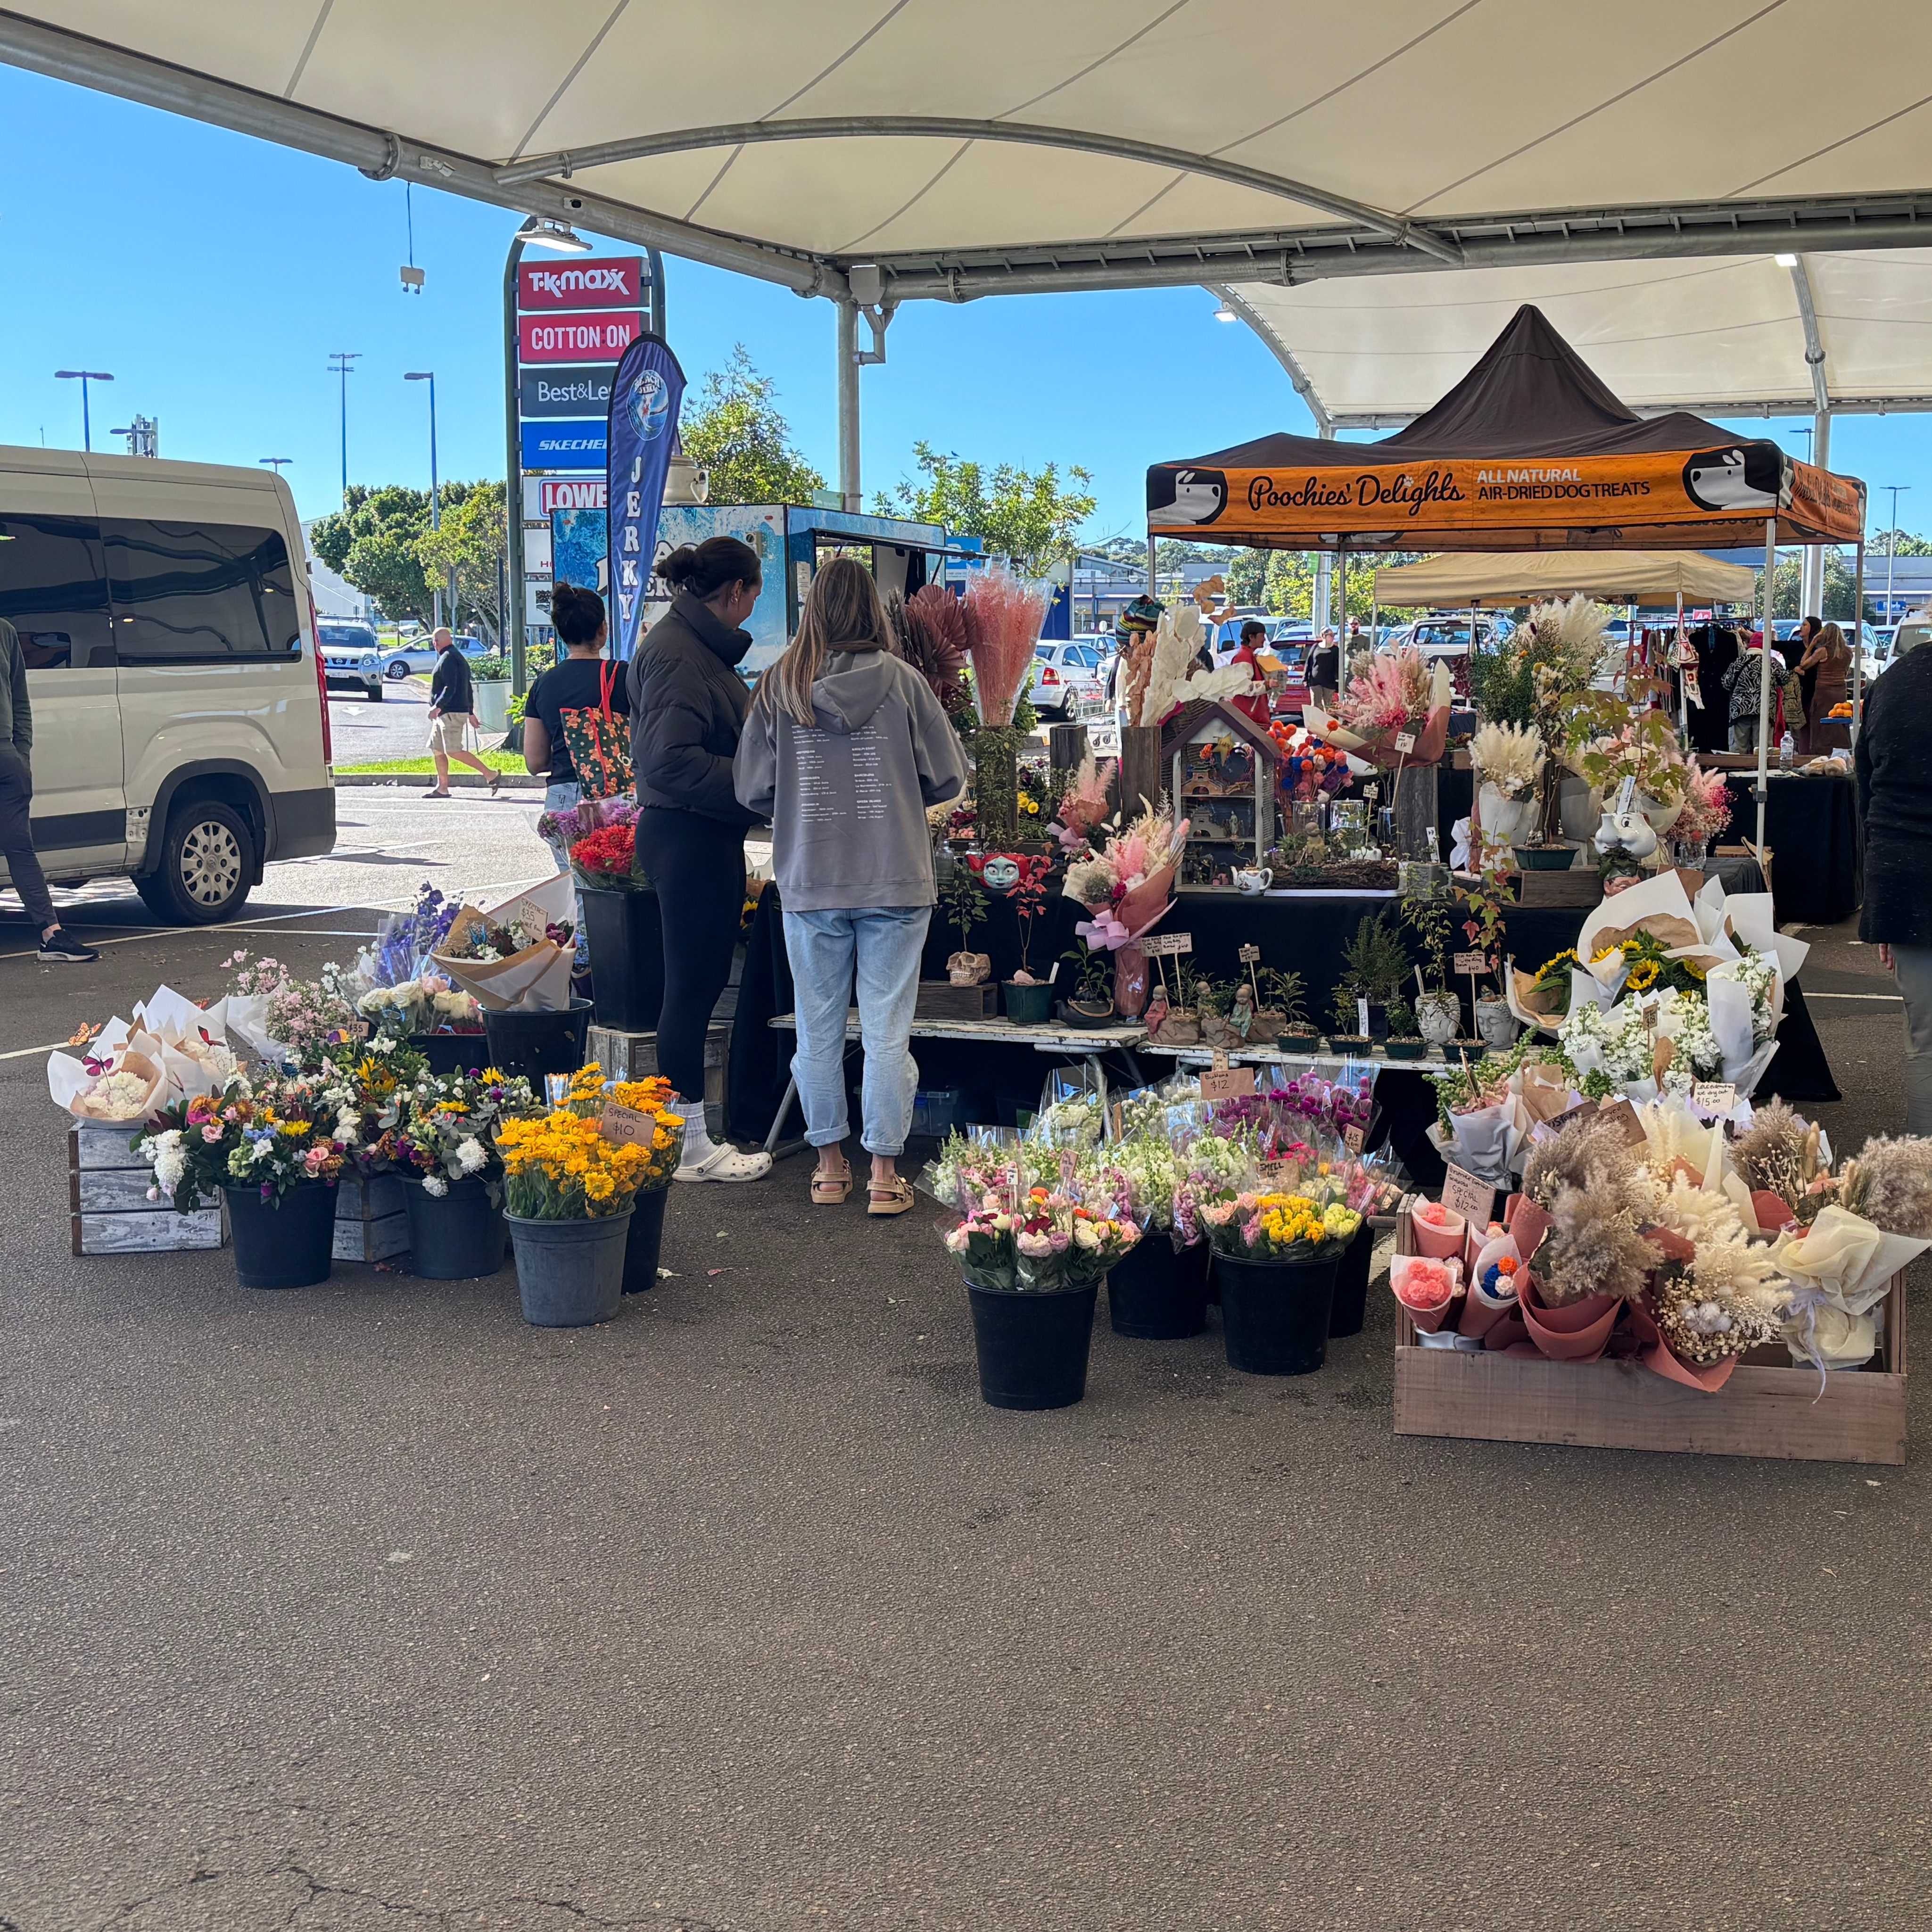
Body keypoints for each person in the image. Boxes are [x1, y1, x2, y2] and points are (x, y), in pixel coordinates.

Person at [735, 557, 966, 1214]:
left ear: (813, 609)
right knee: (888, 1028)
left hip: (811, 876)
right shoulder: (905, 683)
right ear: (871, 607)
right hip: (895, 877)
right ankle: (886, 1173)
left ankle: (830, 1166)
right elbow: (947, 777)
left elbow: (751, 789)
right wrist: (899, 789)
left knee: (817, 1028)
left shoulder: (781, 684)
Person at [628, 535, 772, 1183]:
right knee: (690, 991)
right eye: (754, 596)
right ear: (735, 593)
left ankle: (680, 1136)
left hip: (698, 832)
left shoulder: (688, 646)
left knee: (694, 986)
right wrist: (759, 776)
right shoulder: (680, 655)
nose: (752, 609)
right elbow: (669, 760)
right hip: (687, 833)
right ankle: (687, 1142)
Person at [525, 584, 631, 973]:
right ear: (603, 630)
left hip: (565, 802)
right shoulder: (624, 676)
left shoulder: (544, 684)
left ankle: (584, 973)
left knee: (579, 890)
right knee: (624, 890)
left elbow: (535, 761)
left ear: (561, 633)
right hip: (615, 796)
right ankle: (621, 968)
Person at [1857, 637, 1932, 1132]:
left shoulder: (1894, 681)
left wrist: (1883, 909)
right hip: (1903, 874)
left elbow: (1867, 791)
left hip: (1904, 876)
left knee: (1926, 1041)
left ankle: (1923, 1179)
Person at [0, 616, 97, 961]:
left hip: (7, 759)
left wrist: (20, 751)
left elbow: (20, 697)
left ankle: (51, 934)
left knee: (20, 848)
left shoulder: (5, 632)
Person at [423, 629, 500, 798]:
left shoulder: (450, 658)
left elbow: (451, 687)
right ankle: (442, 788)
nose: (434, 644)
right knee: (438, 750)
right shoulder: (453, 657)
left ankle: (491, 775)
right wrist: (471, 712)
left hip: (450, 713)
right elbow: (468, 687)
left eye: (435, 641)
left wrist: (438, 706)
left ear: (438, 641)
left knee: (453, 750)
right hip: (446, 714)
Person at [1799, 619, 1851, 753]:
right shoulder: (1848, 652)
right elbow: (1846, 672)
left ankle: (1821, 750)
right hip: (1840, 690)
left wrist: (1812, 645)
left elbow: (1803, 665)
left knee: (1820, 721)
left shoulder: (1823, 651)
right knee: (1839, 721)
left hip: (1824, 691)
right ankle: (1841, 749)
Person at [1227, 619, 1272, 727]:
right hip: (1247, 717)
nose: (1264, 640)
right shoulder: (1244, 658)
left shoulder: (1249, 656)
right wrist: (1267, 685)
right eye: (1262, 636)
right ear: (1252, 637)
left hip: (1250, 716)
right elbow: (1242, 687)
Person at [1305, 627, 1340, 710]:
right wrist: (1305, 678)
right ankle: (1315, 723)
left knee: (1328, 707)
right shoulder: (1315, 647)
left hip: (1329, 682)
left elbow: (1338, 666)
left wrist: (1338, 680)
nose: (1333, 637)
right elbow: (1309, 663)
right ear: (1323, 636)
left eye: (1333, 635)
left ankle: (1328, 723)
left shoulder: (1336, 650)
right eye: (1330, 635)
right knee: (1316, 706)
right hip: (1315, 681)